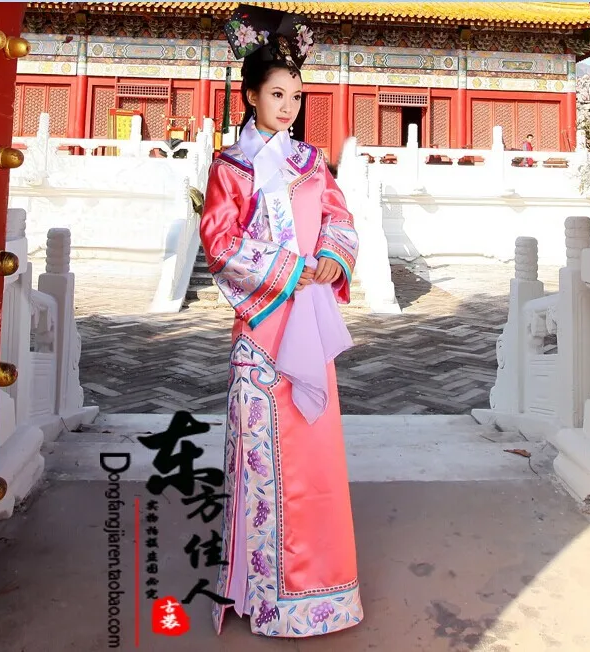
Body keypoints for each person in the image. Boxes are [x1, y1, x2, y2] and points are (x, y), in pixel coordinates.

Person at [199, 4, 363, 639]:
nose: (288, 107)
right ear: (250, 95)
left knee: (314, 456)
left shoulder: (310, 162)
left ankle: (320, 593)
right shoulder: (231, 167)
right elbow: (221, 243)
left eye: (296, 96)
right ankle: (264, 594)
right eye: (276, 95)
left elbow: (339, 218)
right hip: (265, 325)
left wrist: (331, 257)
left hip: (309, 323)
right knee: (263, 459)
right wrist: (293, 269)